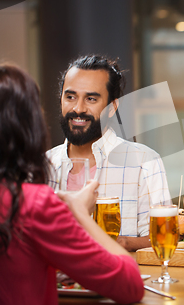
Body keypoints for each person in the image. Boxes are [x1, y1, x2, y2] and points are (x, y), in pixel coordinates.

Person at [0, 64, 144, 305]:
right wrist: (79, 213)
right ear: (24, 125)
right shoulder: (34, 204)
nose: (77, 108)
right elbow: (130, 285)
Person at [46, 55, 170, 251]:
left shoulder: (145, 161)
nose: (78, 108)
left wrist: (122, 242)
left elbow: (159, 237)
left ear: (112, 107)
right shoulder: (43, 165)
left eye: (91, 99)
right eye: (70, 97)